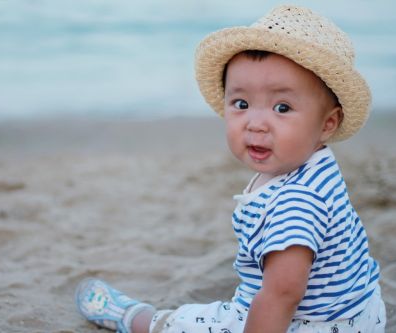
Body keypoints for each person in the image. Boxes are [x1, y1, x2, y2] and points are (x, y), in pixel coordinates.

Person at [74, 5, 387, 333]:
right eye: (242, 104)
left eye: (282, 107)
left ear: (328, 124)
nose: (255, 123)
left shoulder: (297, 202)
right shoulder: (315, 167)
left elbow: (282, 294)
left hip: (310, 324)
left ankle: (137, 319)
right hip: (360, 311)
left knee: (198, 321)